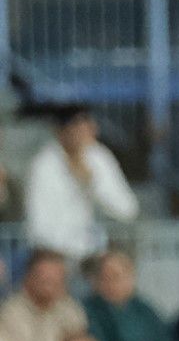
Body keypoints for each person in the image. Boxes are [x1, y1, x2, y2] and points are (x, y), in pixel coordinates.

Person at [25, 106, 139, 261]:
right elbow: (38, 224)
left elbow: (127, 209)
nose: (85, 133)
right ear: (61, 131)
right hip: (55, 256)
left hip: (95, 256)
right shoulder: (44, 164)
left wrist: (91, 182)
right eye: (77, 127)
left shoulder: (99, 157)